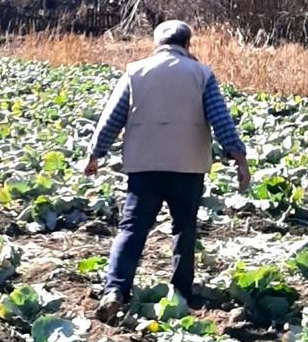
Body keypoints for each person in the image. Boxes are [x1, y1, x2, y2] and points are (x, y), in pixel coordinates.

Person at [84, 20, 251, 323]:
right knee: (184, 229)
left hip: (144, 166)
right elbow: (221, 120)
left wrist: (95, 153)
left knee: (132, 229)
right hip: (187, 168)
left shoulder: (136, 71)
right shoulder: (201, 75)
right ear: (188, 45)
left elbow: (112, 118)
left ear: (156, 44)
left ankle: (115, 290)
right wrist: (239, 159)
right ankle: (181, 293)